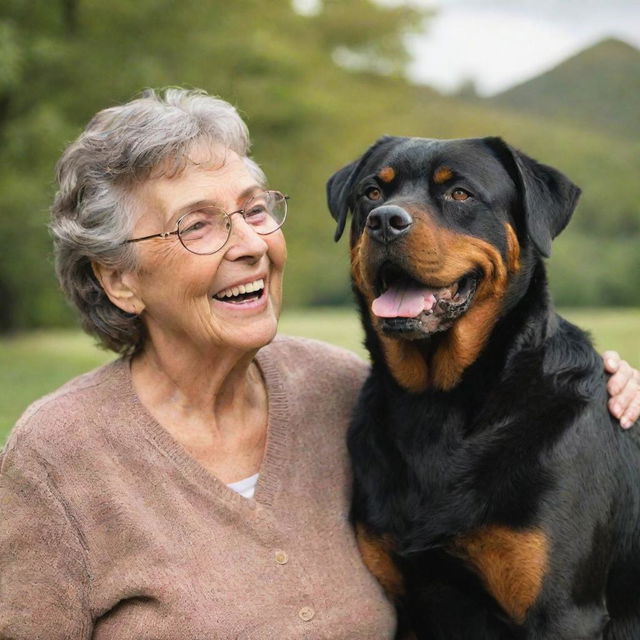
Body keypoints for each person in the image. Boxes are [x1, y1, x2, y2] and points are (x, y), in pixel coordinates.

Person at [0, 88, 638, 639]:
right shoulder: (57, 458)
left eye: (254, 210)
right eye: (196, 225)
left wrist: (607, 396)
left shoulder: (339, 388)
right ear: (119, 280)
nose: (248, 243)